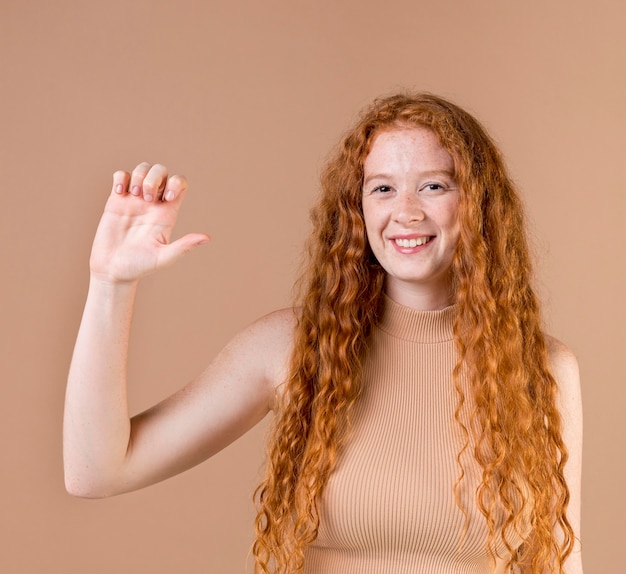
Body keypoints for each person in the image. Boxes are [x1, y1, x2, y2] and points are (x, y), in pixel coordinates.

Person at [63, 93, 583, 574]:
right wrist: (111, 283)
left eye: (434, 185)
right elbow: (96, 472)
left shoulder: (543, 369)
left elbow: (563, 560)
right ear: (358, 211)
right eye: (382, 188)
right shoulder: (292, 348)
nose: (406, 211)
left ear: (478, 204)